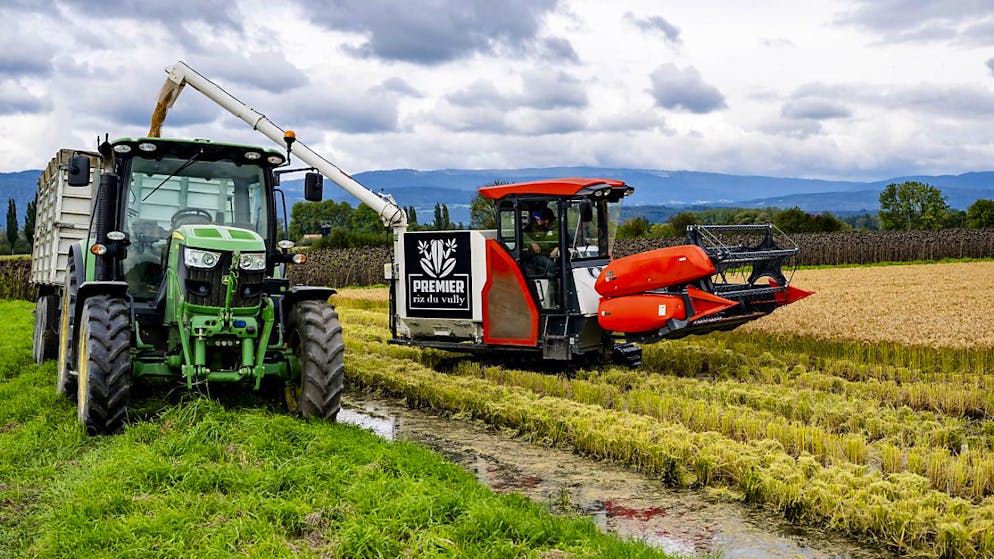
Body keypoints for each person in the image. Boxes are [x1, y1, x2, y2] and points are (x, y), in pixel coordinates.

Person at [523, 206, 560, 275]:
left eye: (538, 218)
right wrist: (531, 243)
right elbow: (521, 235)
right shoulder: (533, 226)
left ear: (546, 220)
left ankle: (553, 284)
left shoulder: (557, 227)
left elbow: (548, 244)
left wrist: (559, 248)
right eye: (535, 218)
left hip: (550, 255)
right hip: (536, 255)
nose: (536, 220)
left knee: (551, 266)